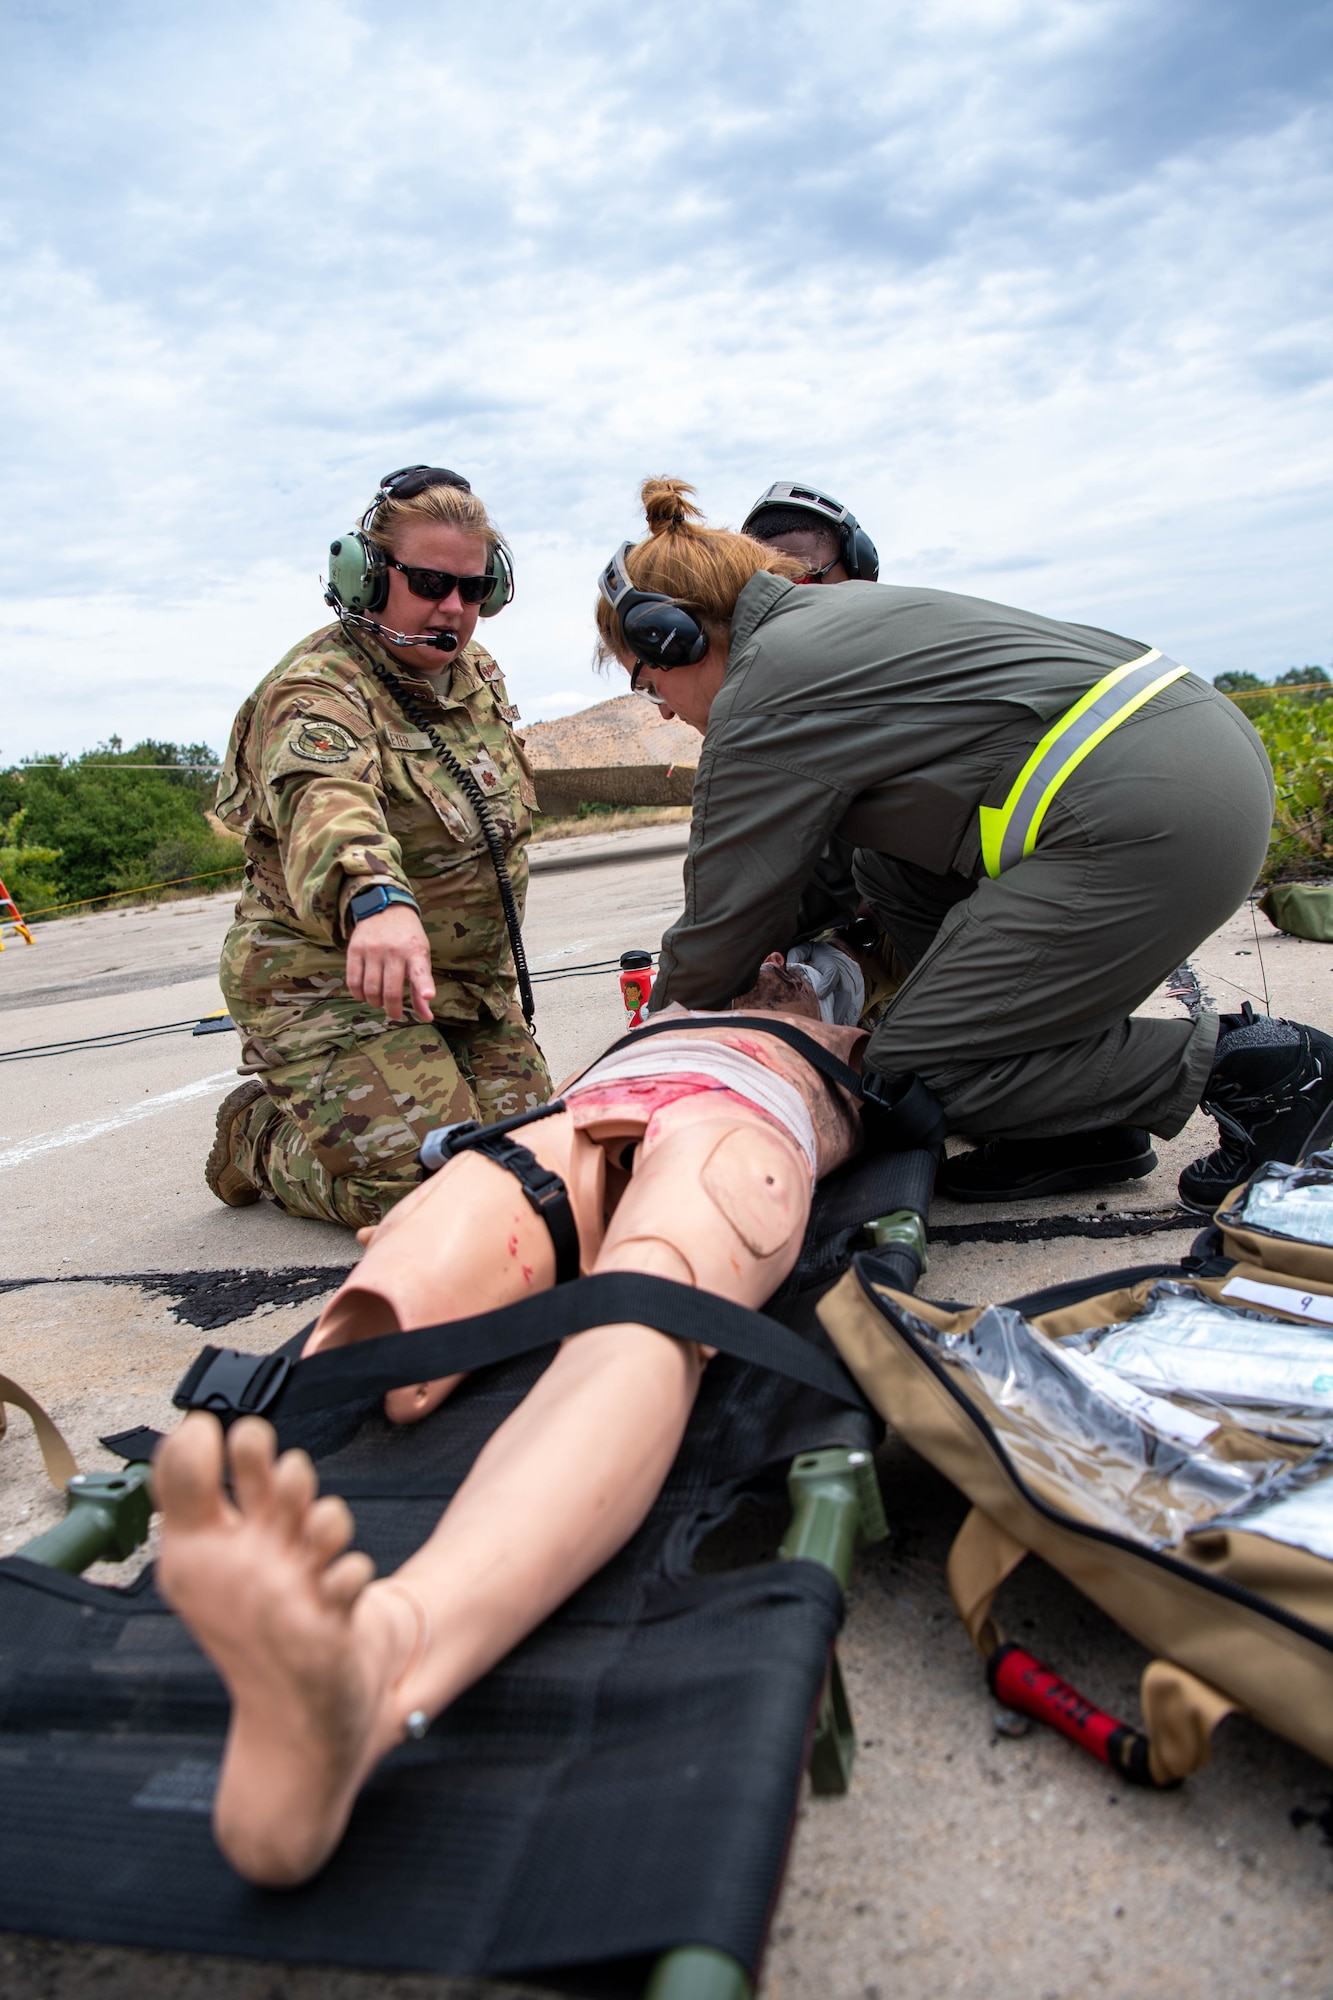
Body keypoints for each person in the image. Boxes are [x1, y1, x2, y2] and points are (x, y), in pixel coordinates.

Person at [155, 995, 866, 1886]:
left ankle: (387, 1655)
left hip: (740, 1117)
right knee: (403, 1291)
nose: (775, 963)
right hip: (562, 1129)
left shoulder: (855, 1020)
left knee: (650, 1302)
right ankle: (301, 1587)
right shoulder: (688, 987)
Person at [595, 479, 1332, 1211]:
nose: (657, 704)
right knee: (885, 868)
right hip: (1192, 770)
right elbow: (812, 874)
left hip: (1147, 817)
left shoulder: (765, 688)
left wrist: (656, 1044)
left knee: (923, 1073)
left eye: (642, 675)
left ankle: (1262, 1070)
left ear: (673, 635)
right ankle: (1069, 1129)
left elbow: (727, 912)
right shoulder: (830, 620)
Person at [205, 466, 550, 1230]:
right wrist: (375, 898)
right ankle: (258, 1138)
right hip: (328, 985)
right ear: (366, 578)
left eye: (473, 586)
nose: (454, 608)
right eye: (429, 582)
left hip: (462, 989)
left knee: (543, 1170)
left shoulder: (475, 677)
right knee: (439, 1196)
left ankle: (386, 1098)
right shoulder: (317, 690)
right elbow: (325, 802)